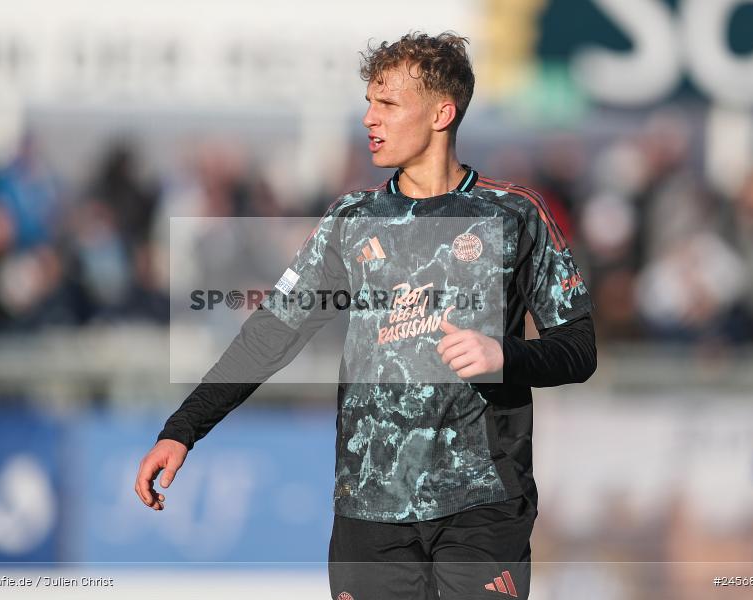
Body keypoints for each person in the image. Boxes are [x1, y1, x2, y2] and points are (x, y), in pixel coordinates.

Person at [135, 32, 596, 599]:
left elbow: (579, 347)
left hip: (483, 502)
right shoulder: (351, 219)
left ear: (441, 113)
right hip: (369, 504)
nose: (368, 118)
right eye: (369, 102)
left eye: (388, 104)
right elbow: (271, 334)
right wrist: (182, 432)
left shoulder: (515, 214)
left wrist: (506, 356)